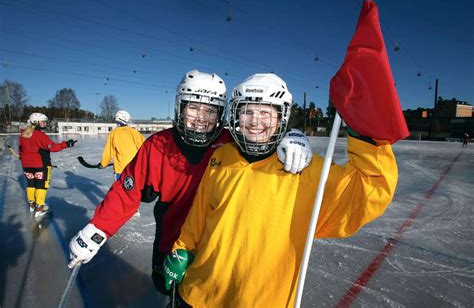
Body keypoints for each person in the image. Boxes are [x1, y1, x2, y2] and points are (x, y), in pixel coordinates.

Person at [67, 70, 313, 299]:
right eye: (194, 108)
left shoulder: (231, 143)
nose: (201, 118)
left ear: (221, 114)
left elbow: (261, 144)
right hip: (172, 243)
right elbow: (127, 190)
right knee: (170, 293)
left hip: (217, 250)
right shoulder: (158, 145)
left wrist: (291, 137)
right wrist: (98, 228)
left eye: (211, 110)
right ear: (181, 108)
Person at [162, 73, 399, 307]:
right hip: (196, 294)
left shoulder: (306, 168)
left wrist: (363, 131)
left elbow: (370, 188)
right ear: (236, 116)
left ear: (281, 118)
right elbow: (199, 216)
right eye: (247, 112)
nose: (256, 122)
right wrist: (182, 250)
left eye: (266, 112)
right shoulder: (221, 156)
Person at [19, 113, 77, 217]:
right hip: (40, 164)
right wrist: (66, 144)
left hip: (26, 165)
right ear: (36, 122)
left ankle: (32, 204)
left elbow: (21, 149)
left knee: (31, 183)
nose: (45, 123)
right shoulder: (40, 135)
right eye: (43, 121)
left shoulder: (24, 134)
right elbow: (53, 147)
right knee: (42, 184)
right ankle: (40, 207)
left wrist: (23, 157)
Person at [99, 110, 145, 181]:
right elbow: (144, 147)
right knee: (133, 190)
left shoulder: (114, 133)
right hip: (135, 168)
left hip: (121, 170)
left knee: (119, 190)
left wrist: (103, 163)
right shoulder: (134, 132)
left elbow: (109, 151)